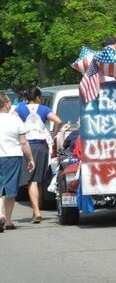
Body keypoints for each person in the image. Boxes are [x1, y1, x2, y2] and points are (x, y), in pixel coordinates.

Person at [14, 86, 62, 223]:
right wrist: (53, 134)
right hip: (42, 146)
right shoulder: (44, 109)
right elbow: (58, 121)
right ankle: (38, 208)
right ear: (38, 98)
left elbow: (13, 121)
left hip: (28, 145)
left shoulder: (20, 109)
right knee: (39, 179)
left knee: (31, 180)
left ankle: (36, 211)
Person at [0, 92, 35, 232]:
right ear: (6, 104)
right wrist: (31, 158)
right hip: (12, 156)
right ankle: (8, 221)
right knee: (10, 190)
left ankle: (0, 214)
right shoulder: (15, 120)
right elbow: (23, 142)